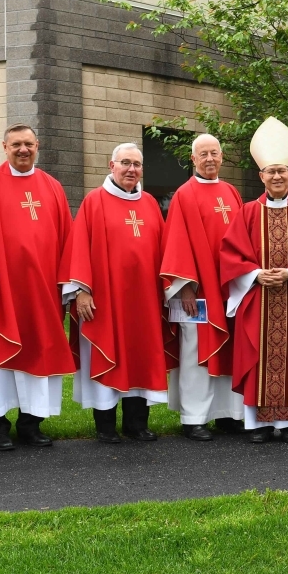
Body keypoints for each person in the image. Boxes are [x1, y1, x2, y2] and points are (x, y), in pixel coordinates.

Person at [0, 123, 75, 451]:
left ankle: (31, 423)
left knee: (38, 355)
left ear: (38, 146)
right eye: (16, 145)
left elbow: (67, 240)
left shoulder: (52, 188)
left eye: (28, 144)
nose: (23, 150)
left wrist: (65, 288)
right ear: (4, 147)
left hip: (41, 293)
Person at [219, 117, 288, 443]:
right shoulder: (246, 213)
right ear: (261, 176)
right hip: (257, 298)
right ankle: (260, 423)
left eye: (282, 170)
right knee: (257, 356)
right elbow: (229, 253)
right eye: (271, 171)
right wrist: (255, 274)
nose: (277, 176)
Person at [62, 143, 168, 442]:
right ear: (112, 166)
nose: (131, 169)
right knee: (106, 351)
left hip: (143, 301)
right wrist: (82, 291)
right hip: (105, 300)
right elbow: (79, 247)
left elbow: (163, 252)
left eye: (136, 164)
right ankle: (105, 425)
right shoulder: (94, 201)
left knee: (140, 358)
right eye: (125, 163)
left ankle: (137, 423)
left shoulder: (149, 204)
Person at [160, 134, 245, 441]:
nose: (210, 159)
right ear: (193, 159)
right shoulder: (184, 194)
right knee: (196, 350)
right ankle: (194, 417)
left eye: (215, 153)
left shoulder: (232, 192)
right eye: (203, 154)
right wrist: (184, 287)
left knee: (230, 350)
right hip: (196, 290)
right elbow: (178, 243)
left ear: (222, 157)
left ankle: (228, 415)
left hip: (230, 288)